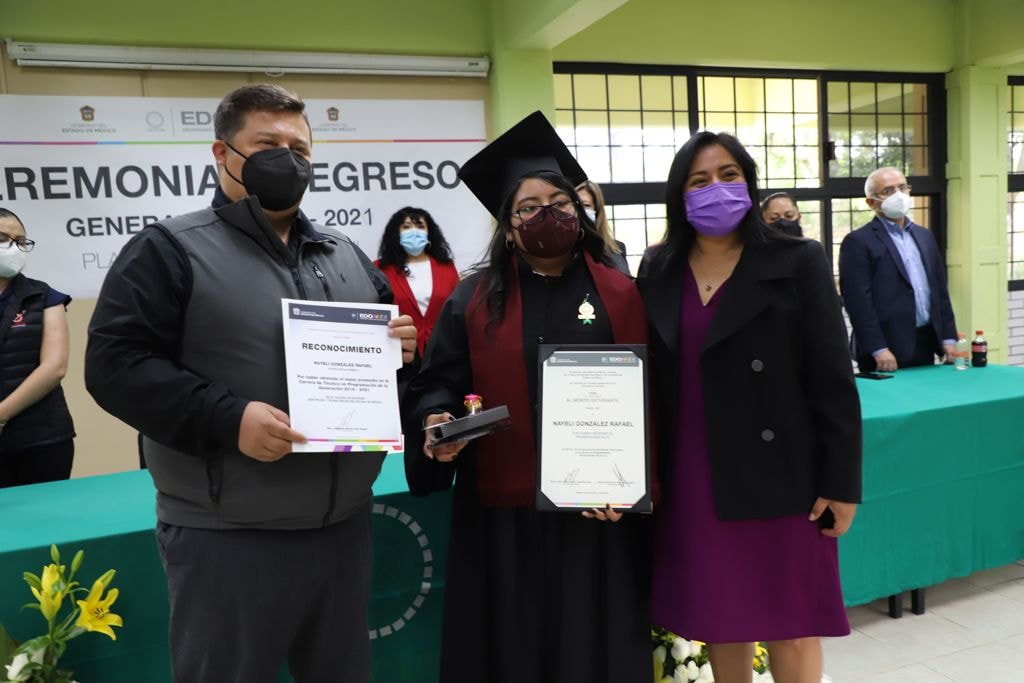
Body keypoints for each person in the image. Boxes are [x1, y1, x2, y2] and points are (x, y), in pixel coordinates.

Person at [85, 84, 417, 683]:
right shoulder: (169, 250)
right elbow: (115, 366)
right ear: (223, 153)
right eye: (267, 144)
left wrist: (401, 352)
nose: (287, 159)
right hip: (229, 535)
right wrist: (227, 418)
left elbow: (385, 370)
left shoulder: (344, 254)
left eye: (299, 148)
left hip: (343, 528)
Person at [402, 111, 653, 683]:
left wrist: (633, 486)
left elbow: (653, 400)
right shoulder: (472, 299)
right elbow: (438, 381)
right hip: (503, 522)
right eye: (529, 207)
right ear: (509, 226)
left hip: (597, 516)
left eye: (559, 203)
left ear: (579, 212)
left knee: (593, 652)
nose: (547, 216)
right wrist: (437, 419)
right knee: (509, 652)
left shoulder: (622, 293)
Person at [638, 131, 861, 683]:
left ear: (749, 182)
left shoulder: (798, 259)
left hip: (785, 474)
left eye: (729, 175)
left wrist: (842, 483)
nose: (716, 188)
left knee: (793, 623)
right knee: (722, 619)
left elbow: (833, 378)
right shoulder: (658, 268)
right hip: (694, 471)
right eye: (699, 180)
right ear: (679, 195)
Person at [838, 167, 957, 372]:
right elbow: (858, 302)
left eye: (902, 188)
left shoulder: (924, 236)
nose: (898, 195)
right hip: (885, 350)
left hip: (925, 342)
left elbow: (939, 291)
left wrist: (948, 337)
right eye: (888, 191)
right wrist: (878, 348)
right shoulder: (858, 241)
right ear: (871, 202)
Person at [0, 208, 75, 487]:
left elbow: (55, 367)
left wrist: (1, 415)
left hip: (41, 438)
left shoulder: (44, 296)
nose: (14, 248)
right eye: (3, 238)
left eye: (20, 241)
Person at [375, 207, 459, 357]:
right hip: (399, 351)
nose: (414, 232)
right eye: (406, 227)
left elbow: (456, 308)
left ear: (429, 232)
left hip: (443, 350)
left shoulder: (447, 267)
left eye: (420, 226)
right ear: (396, 233)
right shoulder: (380, 269)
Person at [575, 179, 631, 274]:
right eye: (576, 205)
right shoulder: (564, 251)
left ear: (597, 211)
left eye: (586, 205)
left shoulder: (617, 248)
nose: (581, 211)